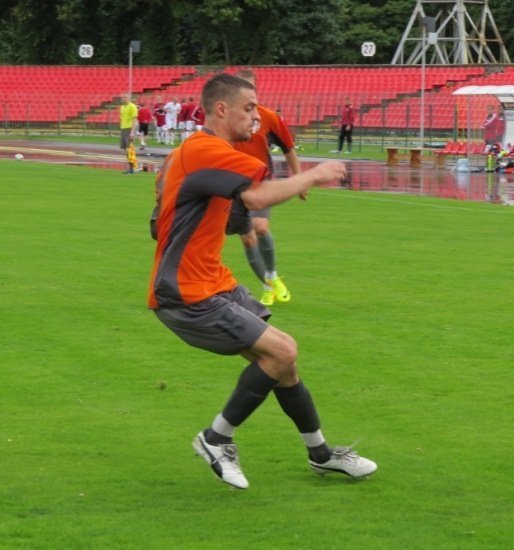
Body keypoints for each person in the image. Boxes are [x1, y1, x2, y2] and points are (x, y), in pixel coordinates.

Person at [148, 73, 377, 490]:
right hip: (187, 291)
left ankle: (322, 455)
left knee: (283, 362)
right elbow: (255, 196)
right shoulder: (206, 149)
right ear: (221, 109)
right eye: (249, 108)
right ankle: (216, 439)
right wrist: (313, 175)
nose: (257, 117)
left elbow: (159, 217)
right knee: (282, 350)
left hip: (213, 281)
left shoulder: (189, 153)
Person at [228, 68, 301, 306]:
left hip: (261, 181)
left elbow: (288, 148)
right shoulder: (227, 119)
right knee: (247, 240)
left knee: (260, 227)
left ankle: (271, 275)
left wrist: (299, 180)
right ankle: (268, 284)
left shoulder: (268, 117)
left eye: (249, 88)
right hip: (232, 184)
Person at [119, 94, 138, 174]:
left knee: (129, 149)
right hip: (123, 129)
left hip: (129, 129)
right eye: (122, 97)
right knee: (124, 149)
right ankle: (130, 167)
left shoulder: (132, 106)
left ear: (129, 98)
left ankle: (132, 168)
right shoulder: (122, 107)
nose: (123, 99)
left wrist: (132, 132)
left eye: (125, 97)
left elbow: (134, 120)